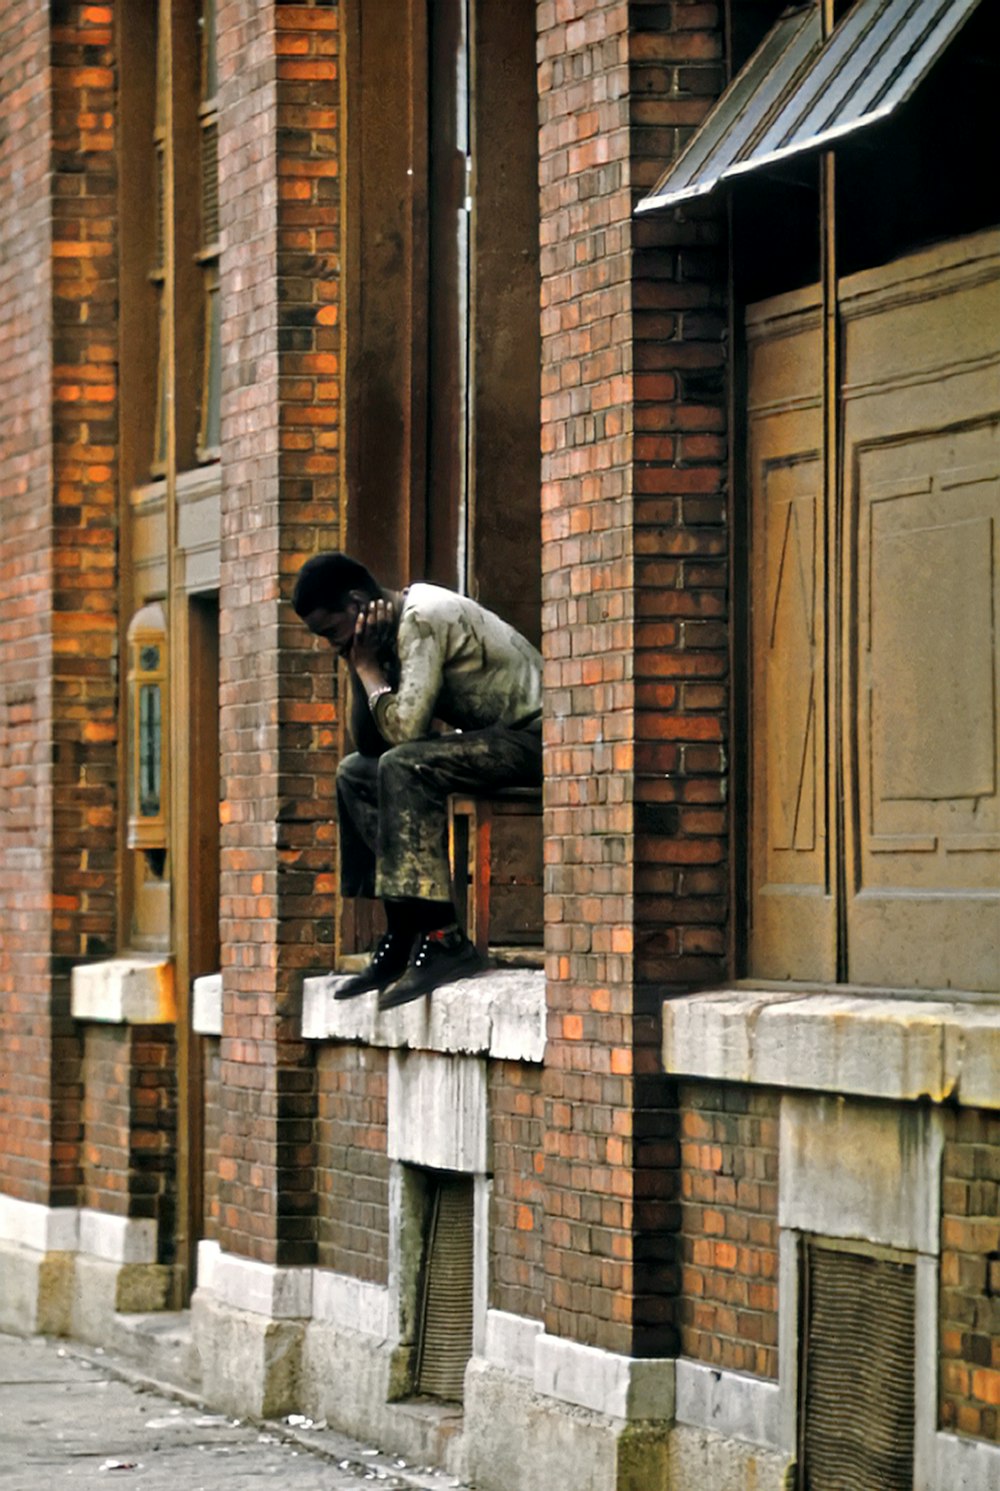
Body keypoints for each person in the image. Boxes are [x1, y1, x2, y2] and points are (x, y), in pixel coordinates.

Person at [292, 552, 543, 1010]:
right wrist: (358, 663)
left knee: (406, 766)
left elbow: (405, 735)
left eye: (332, 632)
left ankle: (444, 937)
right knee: (355, 774)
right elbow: (369, 745)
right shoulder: (387, 631)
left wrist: (370, 670)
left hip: (537, 739)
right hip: (495, 741)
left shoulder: (420, 618)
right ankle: (405, 926)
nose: (332, 644)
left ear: (356, 601)